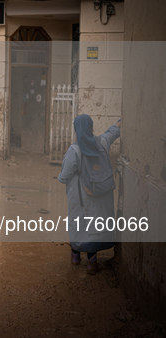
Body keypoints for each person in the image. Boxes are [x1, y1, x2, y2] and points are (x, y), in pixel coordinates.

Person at [58, 114, 121, 275]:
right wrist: (119, 124)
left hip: (80, 197)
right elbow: (111, 133)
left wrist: (62, 177)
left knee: (78, 224)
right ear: (92, 127)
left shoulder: (74, 150)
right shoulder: (102, 143)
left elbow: (64, 176)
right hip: (101, 194)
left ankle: (75, 257)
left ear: (76, 129)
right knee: (95, 225)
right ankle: (92, 262)